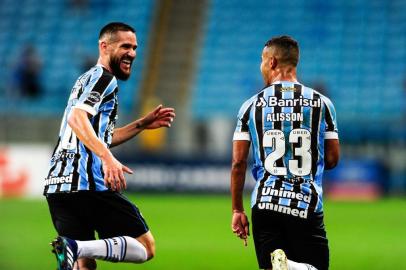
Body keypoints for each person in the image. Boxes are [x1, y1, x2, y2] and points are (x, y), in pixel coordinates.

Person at [44, 22, 175, 270]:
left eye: (135, 47)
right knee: (146, 247)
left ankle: (74, 248)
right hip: (86, 184)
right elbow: (76, 118)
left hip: (58, 186)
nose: (132, 53)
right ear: (104, 46)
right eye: (125, 46)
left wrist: (140, 125)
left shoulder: (84, 80)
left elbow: (91, 133)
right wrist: (107, 158)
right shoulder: (105, 79)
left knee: (83, 266)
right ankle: (75, 246)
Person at [230, 36, 339, 270]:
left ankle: (286, 266)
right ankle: (295, 267)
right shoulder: (322, 104)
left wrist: (237, 209)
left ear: (272, 62)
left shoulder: (250, 106)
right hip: (305, 203)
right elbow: (332, 159)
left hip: (265, 203)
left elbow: (238, 163)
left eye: (261, 60)